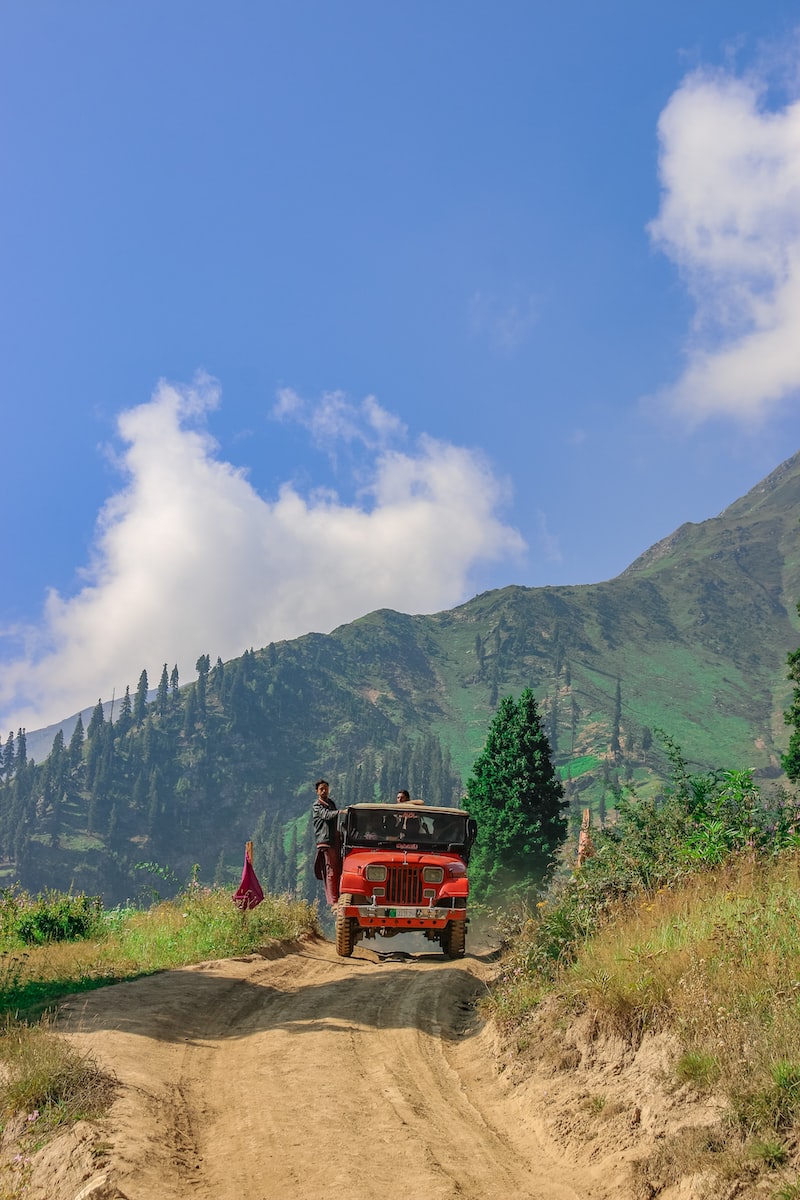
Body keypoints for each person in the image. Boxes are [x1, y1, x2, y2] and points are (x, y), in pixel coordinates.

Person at [312, 779, 341, 905]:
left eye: (326, 788)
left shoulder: (331, 803)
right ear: (317, 791)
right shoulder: (317, 806)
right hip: (326, 841)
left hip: (334, 841)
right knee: (331, 870)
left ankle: (338, 896)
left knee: (337, 868)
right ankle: (334, 900)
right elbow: (326, 815)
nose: (324, 791)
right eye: (321, 789)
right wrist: (340, 812)